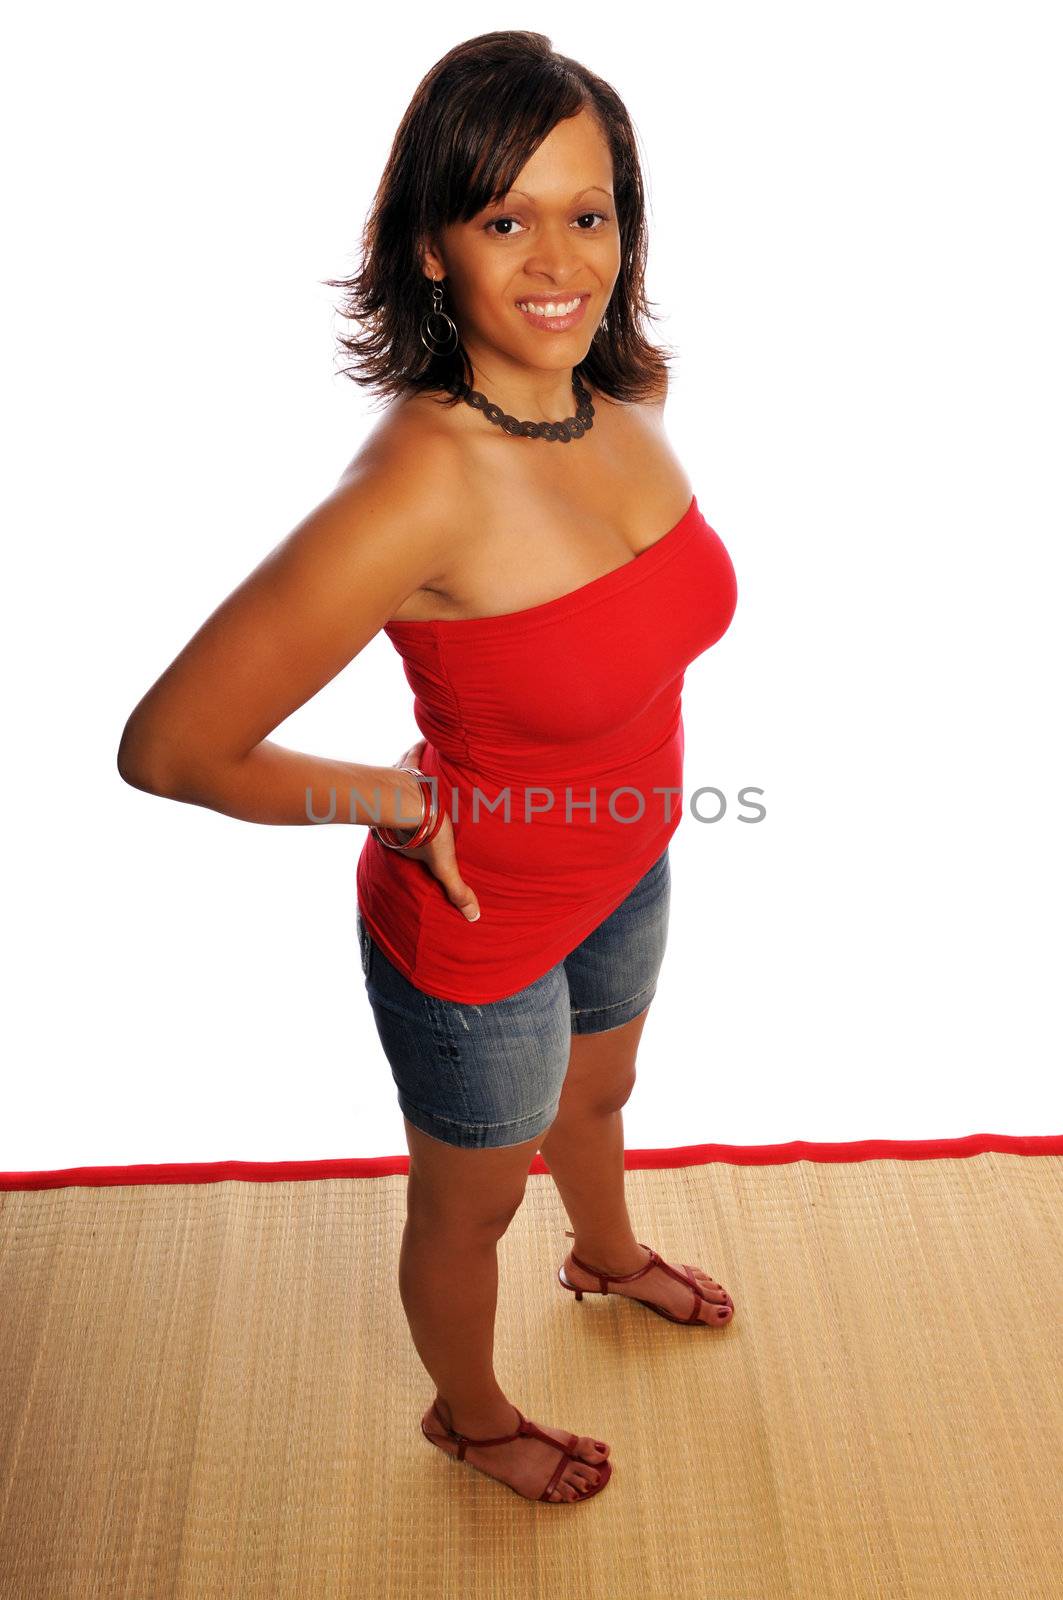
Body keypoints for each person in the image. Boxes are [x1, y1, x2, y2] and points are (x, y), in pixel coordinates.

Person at [117, 31, 738, 1508]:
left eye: (588, 214)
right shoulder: (413, 490)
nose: (558, 261)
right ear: (430, 245)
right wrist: (395, 799)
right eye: (503, 216)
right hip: (479, 929)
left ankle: (607, 1253)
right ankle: (469, 1415)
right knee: (470, 1213)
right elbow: (171, 745)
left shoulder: (622, 392)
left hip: (627, 858)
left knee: (604, 1099)